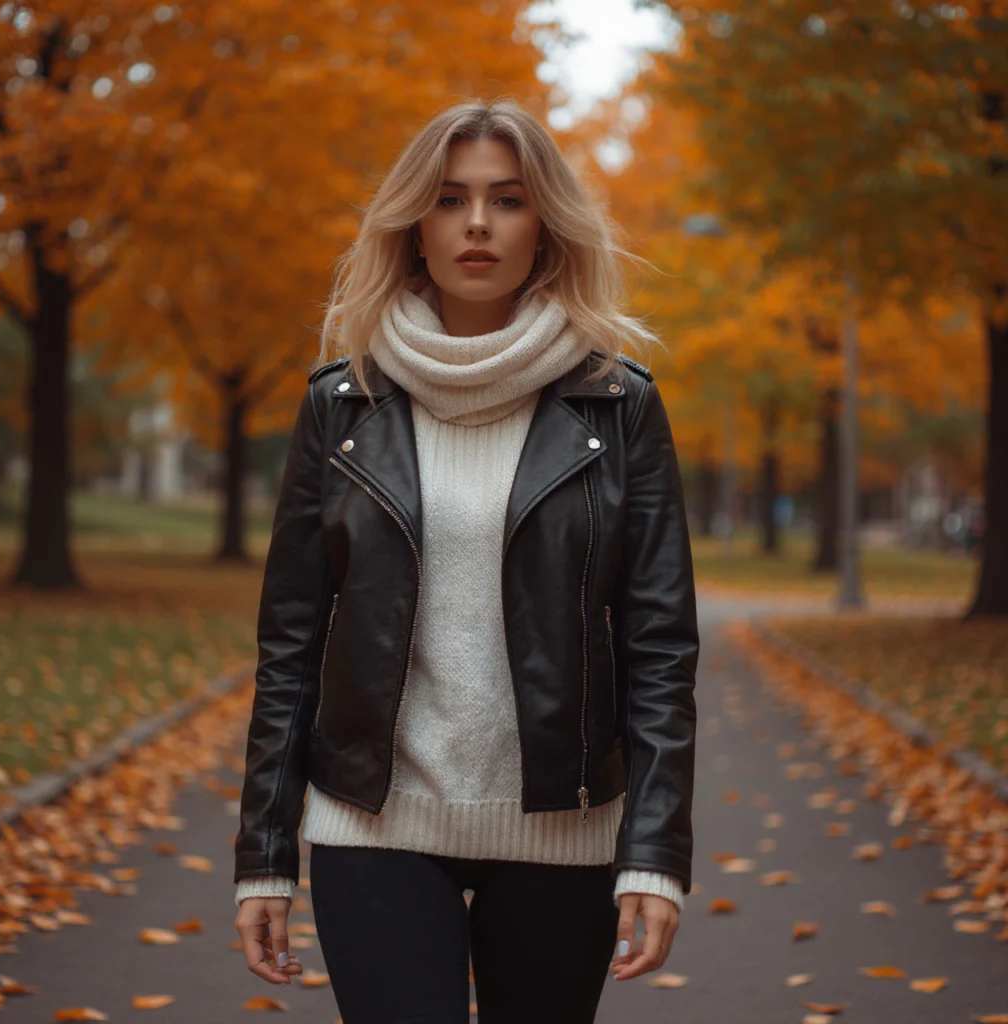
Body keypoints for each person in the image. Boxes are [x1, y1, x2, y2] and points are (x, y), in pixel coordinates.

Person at [233, 97, 699, 1024]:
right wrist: (264, 855)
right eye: (449, 199)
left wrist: (656, 850)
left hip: (564, 835)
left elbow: (659, 648)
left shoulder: (618, 408)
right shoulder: (343, 406)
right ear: (414, 226)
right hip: (375, 828)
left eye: (507, 199)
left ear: (546, 228)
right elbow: (290, 644)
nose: (477, 223)